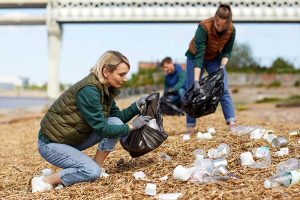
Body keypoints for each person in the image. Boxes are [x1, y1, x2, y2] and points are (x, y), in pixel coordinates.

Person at [32, 50, 151, 192]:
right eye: (121, 74)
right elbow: (103, 129)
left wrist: (137, 106)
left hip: (72, 139)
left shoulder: (105, 89)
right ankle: (44, 181)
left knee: (115, 123)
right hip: (51, 144)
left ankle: (95, 167)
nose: (125, 79)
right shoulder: (89, 91)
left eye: (126, 74)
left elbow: (116, 119)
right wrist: (132, 126)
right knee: (91, 172)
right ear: (106, 71)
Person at [184, 4, 236, 134]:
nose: (218, 27)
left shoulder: (231, 30)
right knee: (191, 88)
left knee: (223, 86)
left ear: (227, 23)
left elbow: (227, 51)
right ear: (214, 18)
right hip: (195, 57)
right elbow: (199, 55)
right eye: (217, 24)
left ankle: (231, 122)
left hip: (214, 58)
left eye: (222, 26)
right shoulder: (204, 27)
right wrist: (196, 81)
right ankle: (190, 126)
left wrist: (222, 67)